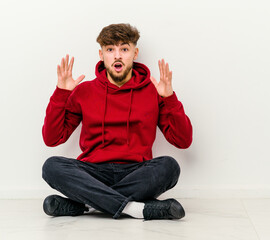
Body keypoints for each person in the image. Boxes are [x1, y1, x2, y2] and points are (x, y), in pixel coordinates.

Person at [41, 23, 193, 220]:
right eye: (110, 49)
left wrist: (169, 98)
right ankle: (136, 209)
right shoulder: (84, 91)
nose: (117, 55)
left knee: (169, 167)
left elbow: (183, 141)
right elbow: (52, 138)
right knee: (51, 166)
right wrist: (61, 94)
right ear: (101, 54)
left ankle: (87, 204)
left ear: (135, 53)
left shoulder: (153, 91)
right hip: (93, 171)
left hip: (136, 171)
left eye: (124, 49)